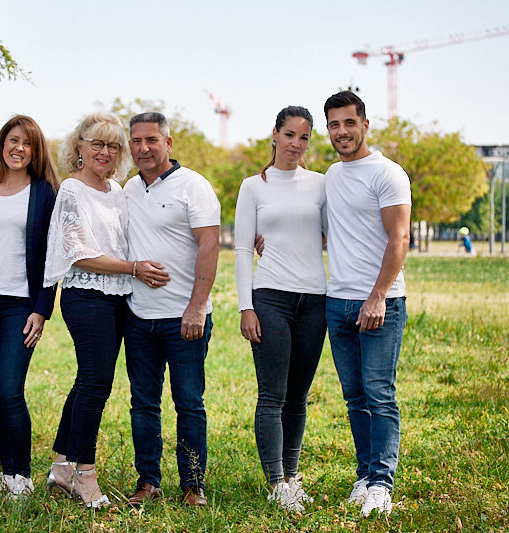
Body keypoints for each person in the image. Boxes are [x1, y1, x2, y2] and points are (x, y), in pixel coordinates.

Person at [42, 112, 169, 508]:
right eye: (97, 143)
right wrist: (133, 268)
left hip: (119, 300)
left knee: (87, 381)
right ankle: (85, 474)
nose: (105, 152)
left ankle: (62, 466)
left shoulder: (118, 190)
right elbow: (79, 255)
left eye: (113, 145)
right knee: (97, 385)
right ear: (78, 147)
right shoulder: (71, 191)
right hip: (87, 297)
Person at [123, 112, 221, 507]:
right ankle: (148, 481)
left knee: (189, 402)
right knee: (143, 402)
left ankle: (193, 484)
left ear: (168, 142)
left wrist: (197, 307)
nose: (143, 148)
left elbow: (210, 246)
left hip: (185, 318)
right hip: (138, 316)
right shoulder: (127, 188)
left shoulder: (193, 186)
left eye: (151, 140)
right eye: (136, 141)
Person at [323, 91, 411, 517]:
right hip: (336, 302)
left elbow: (400, 239)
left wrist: (377, 296)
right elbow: (333, 233)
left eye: (348, 123)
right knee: (354, 396)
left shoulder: (388, 173)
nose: (342, 132)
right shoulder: (331, 176)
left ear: (364, 124)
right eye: (334, 125)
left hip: (380, 303)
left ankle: (382, 483)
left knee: (380, 395)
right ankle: (363, 476)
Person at [234, 106, 327, 511]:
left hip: (315, 300)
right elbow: (240, 248)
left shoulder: (323, 185)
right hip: (269, 296)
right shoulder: (253, 187)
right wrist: (245, 306)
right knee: (272, 394)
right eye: (289, 135)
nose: (296, 144)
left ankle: (292, 476)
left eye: (304, 137)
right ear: (274, 135)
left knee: (299, 396)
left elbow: (333, 234)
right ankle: (276, 485)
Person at [0, 115, 60, 499]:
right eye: (13, 140)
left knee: (9, 390)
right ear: (1, 143)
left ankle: (22, 476)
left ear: (36, 151)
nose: (19, 148)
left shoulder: (44, 192)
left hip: (20, 305)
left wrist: (42, 308)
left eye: (28, 143)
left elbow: (54, 255)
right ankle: (4, 475)